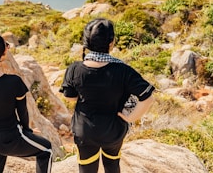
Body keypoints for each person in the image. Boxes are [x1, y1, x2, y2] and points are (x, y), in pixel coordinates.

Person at [60, 18, 155, 173]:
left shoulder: (74, 69)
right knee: (112, 165)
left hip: (85, 131)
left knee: (87, 168)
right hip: (114, 131)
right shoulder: (124, 71)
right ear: (111, 43)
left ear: (86, 43)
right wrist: (130, 118)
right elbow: (148, 98)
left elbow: (69, 97)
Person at [0, 32, 53, 173]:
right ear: (2, 55)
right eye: (6, 45)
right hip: (10, 139)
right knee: (46, 149)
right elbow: (22, 112)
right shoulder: (14, 82)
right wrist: (27, 131)